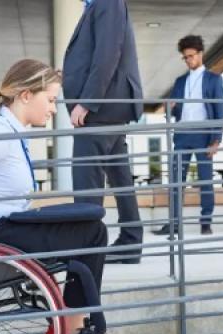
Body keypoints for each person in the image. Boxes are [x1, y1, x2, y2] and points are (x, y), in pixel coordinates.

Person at [0, 59, 107, 334]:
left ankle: (74, 326)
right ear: (26, 95)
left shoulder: (9, 130)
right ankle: (74, 330)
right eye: (50, 100)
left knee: (88, 221)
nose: (53, 109)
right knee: (92, 232)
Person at [63, 0, 144, 264]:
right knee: (121, 178)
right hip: (109, 108)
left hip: (101, 109)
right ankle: (130, 242)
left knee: (87, 181)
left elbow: (107, 54)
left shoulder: (108, 2)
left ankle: (89, 250)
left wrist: (87, 101)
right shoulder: (101, 5)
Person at [153, 35, 223, 236]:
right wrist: (171, 108)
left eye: (191, 56)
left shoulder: (214, 79)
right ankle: (174, 224)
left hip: (204, 135)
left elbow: (220, 111)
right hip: (183, 134)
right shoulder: (180, 81)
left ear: (200, 54)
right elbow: (173, 112)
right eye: (185, 57)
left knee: (205, 180)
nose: (188, 60)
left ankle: (206, 223)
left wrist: (217, 139)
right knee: (177, 181)